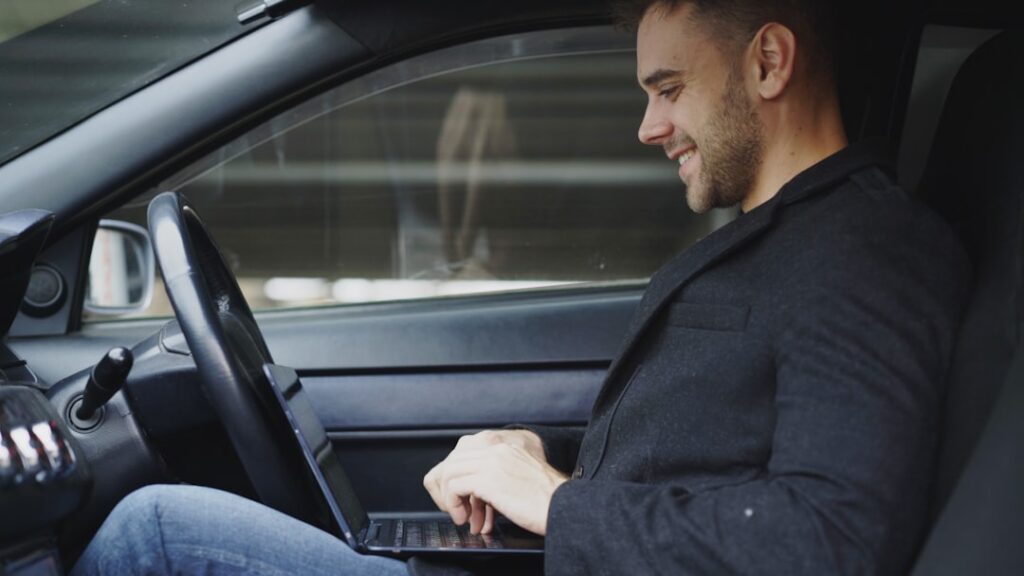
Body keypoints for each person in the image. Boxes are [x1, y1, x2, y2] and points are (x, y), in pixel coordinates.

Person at [71, 0, 970, 575]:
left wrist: (557, 500)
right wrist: (536, 464)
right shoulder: (783, 236)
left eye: (669, 88)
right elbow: (712, 455)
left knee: (157, 534)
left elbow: (833, 540)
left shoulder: (865, 251)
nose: (649, 126)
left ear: (770, 62)